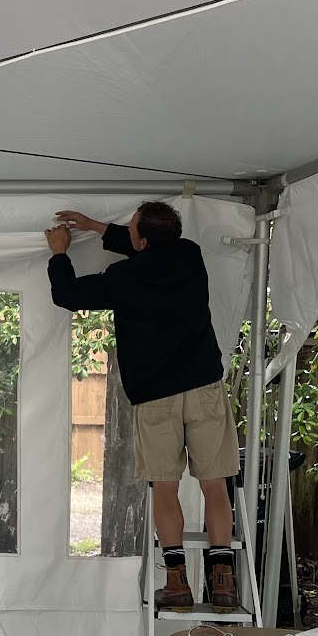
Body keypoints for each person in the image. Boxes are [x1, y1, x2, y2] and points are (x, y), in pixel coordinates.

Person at [45, 202, 240, 610]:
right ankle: (224, 582)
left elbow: (68, 295)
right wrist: (97, 226)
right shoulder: (190, 255)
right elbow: (146, 248)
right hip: (204, 386)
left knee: (165, 487)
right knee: (215, 484)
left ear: (143, 240)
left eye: (131, 228)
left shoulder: (124, 278)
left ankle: (177, 583)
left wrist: (60, 253)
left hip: (156, 396)